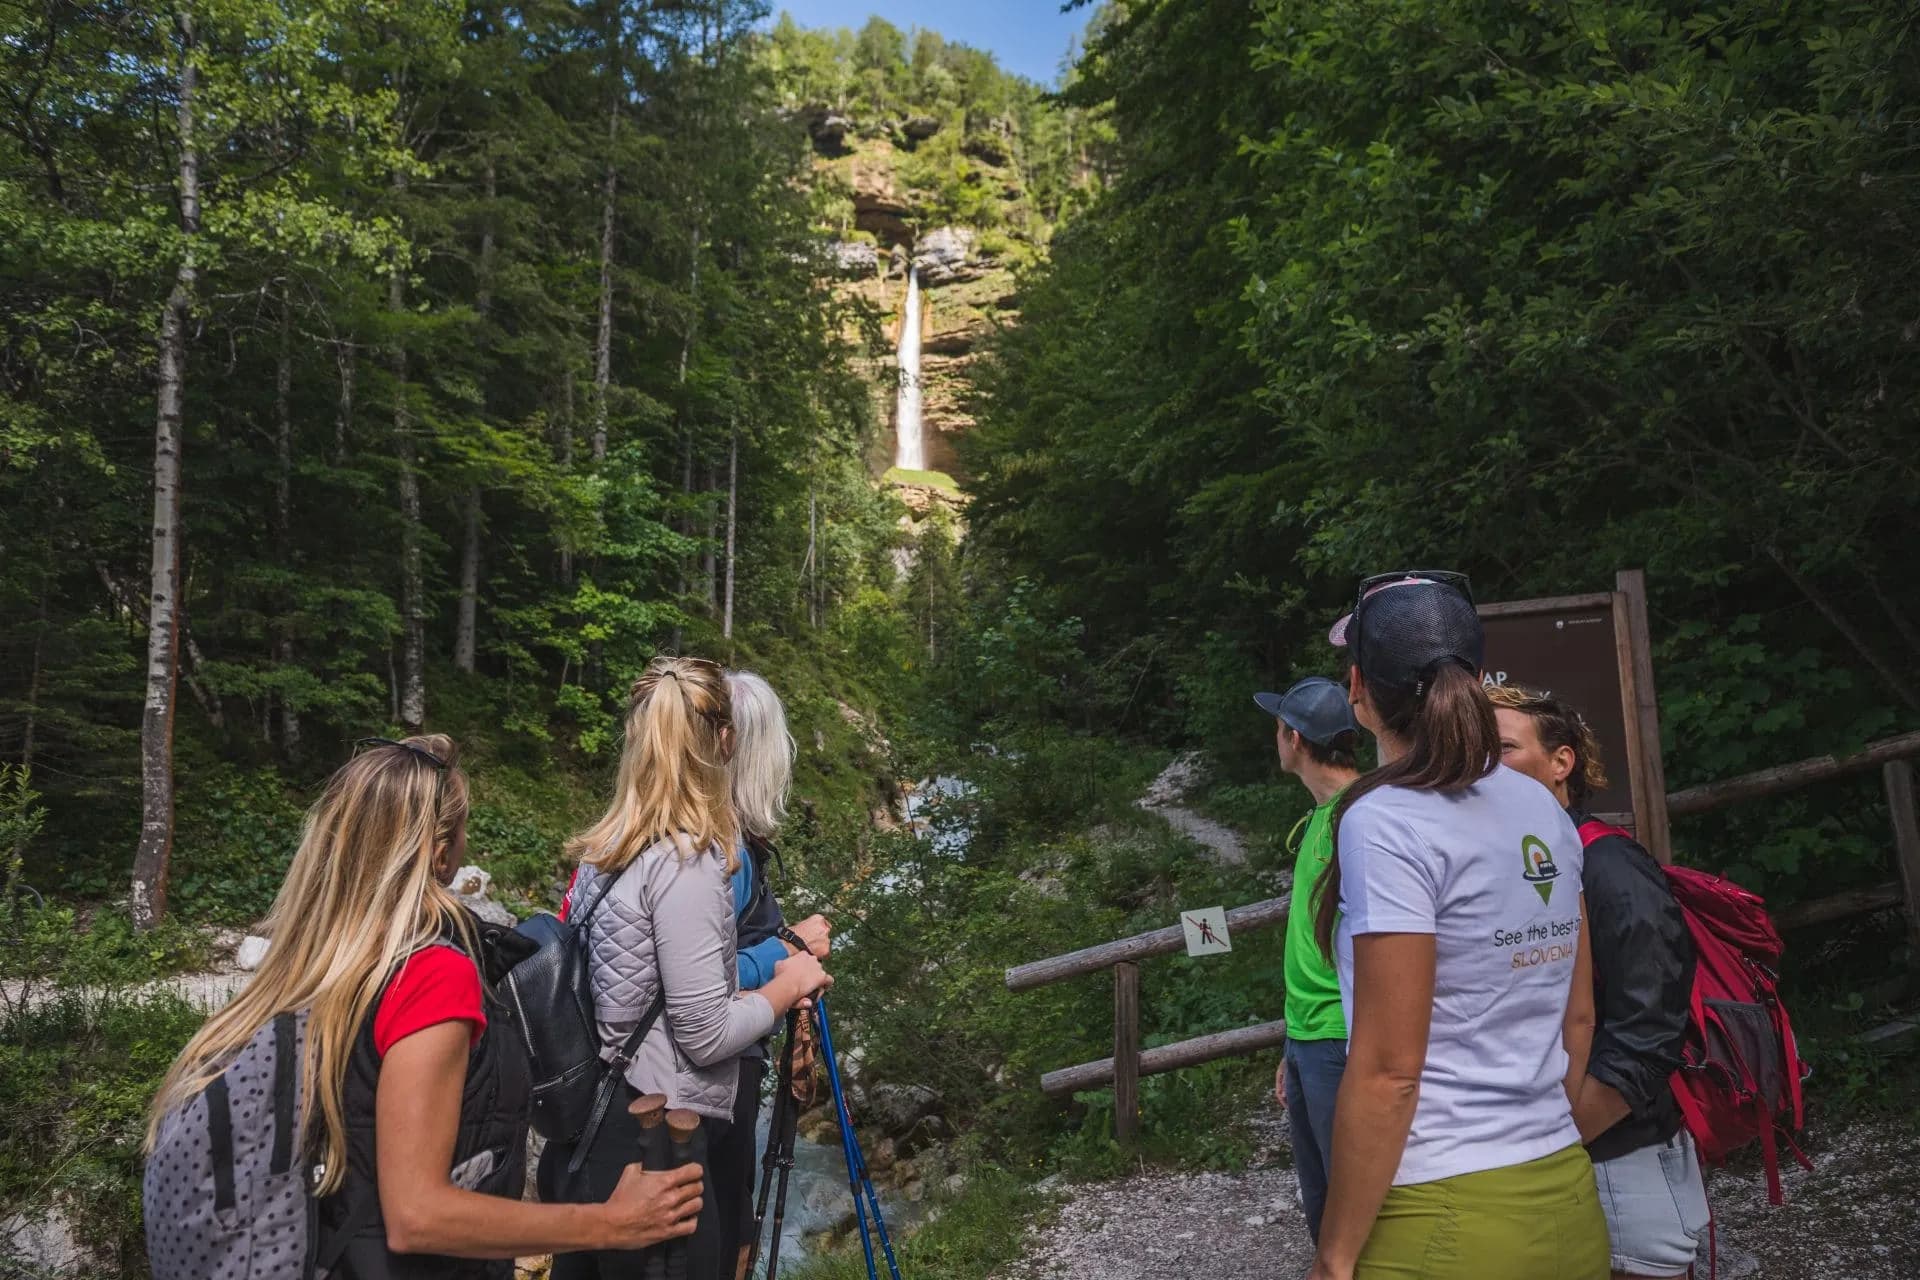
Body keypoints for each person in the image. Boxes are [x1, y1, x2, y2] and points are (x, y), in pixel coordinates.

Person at [145, 735, 705, 1279]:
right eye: (463, 835)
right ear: (440, 855)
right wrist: (612, 1224)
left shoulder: (319, 964)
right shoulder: (433, 976)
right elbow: (418, 1215)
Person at [1307, 573, 1609, 1280]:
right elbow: (1580, 1017)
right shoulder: (1543, 808)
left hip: (1441, 1221)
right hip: (1564, 1195)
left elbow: (1389, 1071)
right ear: (1475, 676)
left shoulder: (1386, 821)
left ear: (1358, 690)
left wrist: (1335, 1256)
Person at [543, 657, 830, 1280]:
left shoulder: (604, 852)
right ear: (725, 743)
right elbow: (704, 1033)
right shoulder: (689, 862)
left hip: (591, 1123)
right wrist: (790, 982)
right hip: (657, 1138)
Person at [1489, 685, 1706, 1280]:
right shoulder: (1518, 859)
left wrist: (1571, 1128)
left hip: (1619, 1152)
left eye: (1504, 748)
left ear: (1562, 762)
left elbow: (1653, 1020)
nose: (1487, 764)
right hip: (1555, 1149)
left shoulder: (1610, 866)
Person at [720, 669, 830, 1280]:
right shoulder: (723, 851)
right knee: (727, 1235)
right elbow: (695, 979)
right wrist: (789, 951)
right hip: (716, 1074)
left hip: (696, 1078)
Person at [1253, 676, 1362, 1244]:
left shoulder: (1360, 818)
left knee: (1352, 1201)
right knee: (1321, 1200)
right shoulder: (1322, 817)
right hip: (1308, 1036)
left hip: (1342, 1039)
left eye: (1277, 727)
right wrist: (1289, 1042)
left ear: (1294, 738)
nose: (1275, 737)